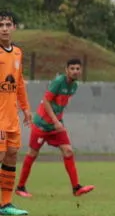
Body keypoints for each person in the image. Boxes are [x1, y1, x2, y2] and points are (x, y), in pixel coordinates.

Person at [15, 58, 95, 198]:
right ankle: (20, 187)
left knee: (68, 151)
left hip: (56, 124)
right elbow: (46, 101)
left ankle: (76, 188)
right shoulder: (58, 82)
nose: (75, 71)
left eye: (77, 69)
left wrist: (59, 121)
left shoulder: (74, 86)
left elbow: (60, 104)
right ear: (66, 70)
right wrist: (54, 120)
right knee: (32, 154)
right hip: (42, 124)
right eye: (72, 69)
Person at [0, 10, 32, 216]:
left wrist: (27, 110)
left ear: (14, 27)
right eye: (1, 25)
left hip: (12, 118)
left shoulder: (18, 52)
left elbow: (19, 84)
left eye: (7, 25)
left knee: (11, 156)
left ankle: (6, 204)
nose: (4, 28)